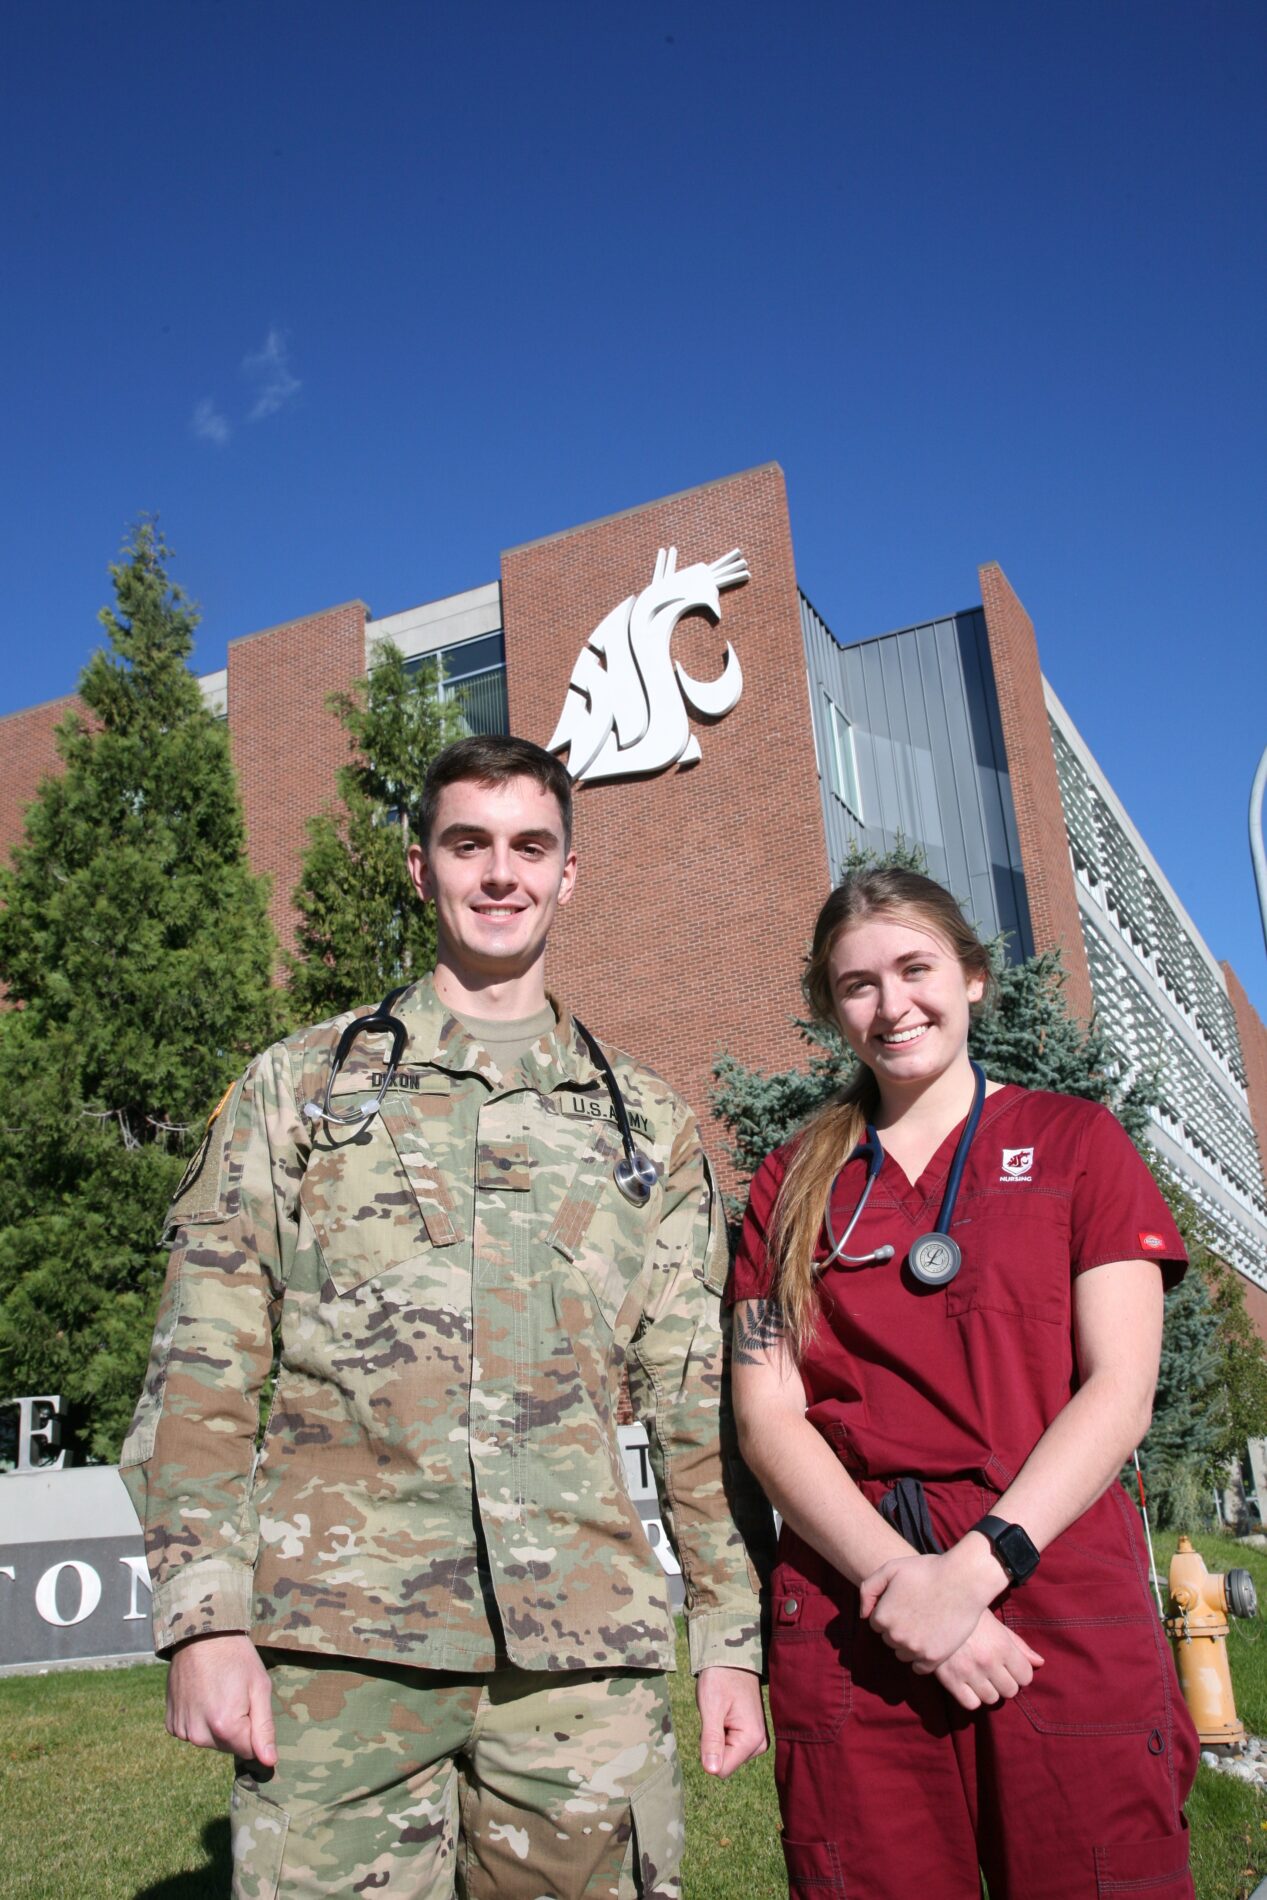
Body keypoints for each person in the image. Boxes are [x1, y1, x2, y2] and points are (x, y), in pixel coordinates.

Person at [122, 734, 772, 1900]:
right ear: (419, 865)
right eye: (467, 843)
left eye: (530, 846)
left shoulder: (649, 1128)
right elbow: (203, 1368)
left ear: (569, 873)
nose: (500, 873)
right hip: (342, 1653)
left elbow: (696, 1403)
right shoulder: (304, 1089)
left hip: (580, 1667)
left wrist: (729, 1638)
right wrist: (204, 1619)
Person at [728, 867, 1198, 1900]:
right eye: (857, 985)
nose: (892, 1006)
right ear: (828, 1006)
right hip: (860, 1601)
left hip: (1051, 1587)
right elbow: (767, 1415)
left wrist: (971, 1576)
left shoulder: (1080, 1144)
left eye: (914, 969)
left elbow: (1119, 1389)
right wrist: (902, 1585)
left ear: (972, 977)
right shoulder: (788, 1180)